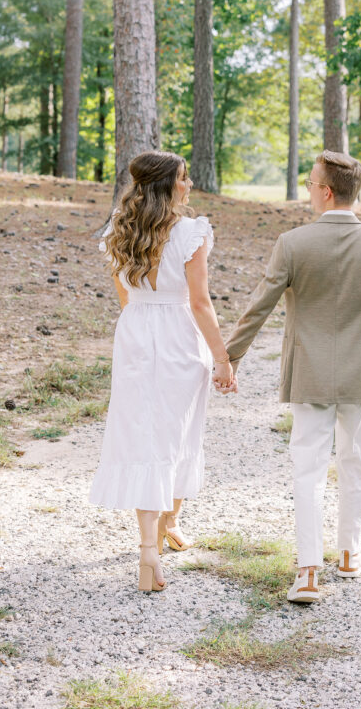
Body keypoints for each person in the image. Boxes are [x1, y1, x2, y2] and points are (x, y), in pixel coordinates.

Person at [225, 150, 361, 603]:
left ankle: (307, 572)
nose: (309, 191)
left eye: (310, 184)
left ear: (326, 192)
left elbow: (258, 308)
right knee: (354, 461)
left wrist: (230, 357)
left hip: (308, 371)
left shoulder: (292, 243)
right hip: (360, 373)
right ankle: (349, 554)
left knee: (307, 470)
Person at [89, 151, 235, 593]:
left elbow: (123, 295)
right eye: (184, 178)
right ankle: (160, 534)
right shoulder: (191, 232)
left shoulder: (120, 227)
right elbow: (199, 302)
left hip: (135, 332)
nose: (189, 185)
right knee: (178, 432)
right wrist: (223, 358)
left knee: (144, 434)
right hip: (178, 335)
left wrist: (140, 329)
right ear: (168, 185)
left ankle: (154, 543)